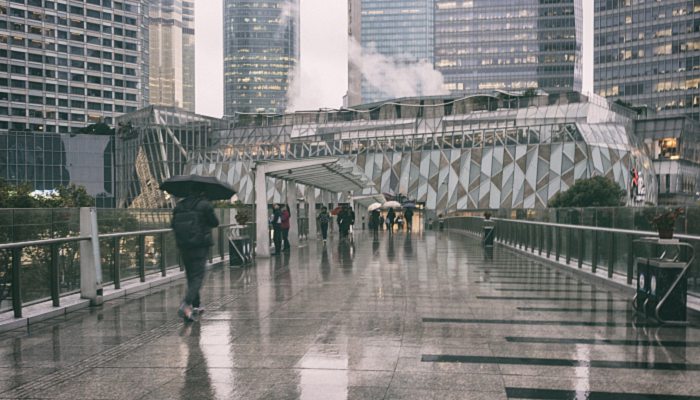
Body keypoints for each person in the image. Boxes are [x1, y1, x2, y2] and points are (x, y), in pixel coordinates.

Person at [172, 184, 219, 322]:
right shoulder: (205, 205)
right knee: (198, 276)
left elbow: (173, 224)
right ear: (202, 192)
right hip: (200, 245)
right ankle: (186, 304)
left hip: (184, 246)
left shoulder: (179, 206)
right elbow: (215, 222)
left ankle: (196, 305)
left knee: (191, 276)